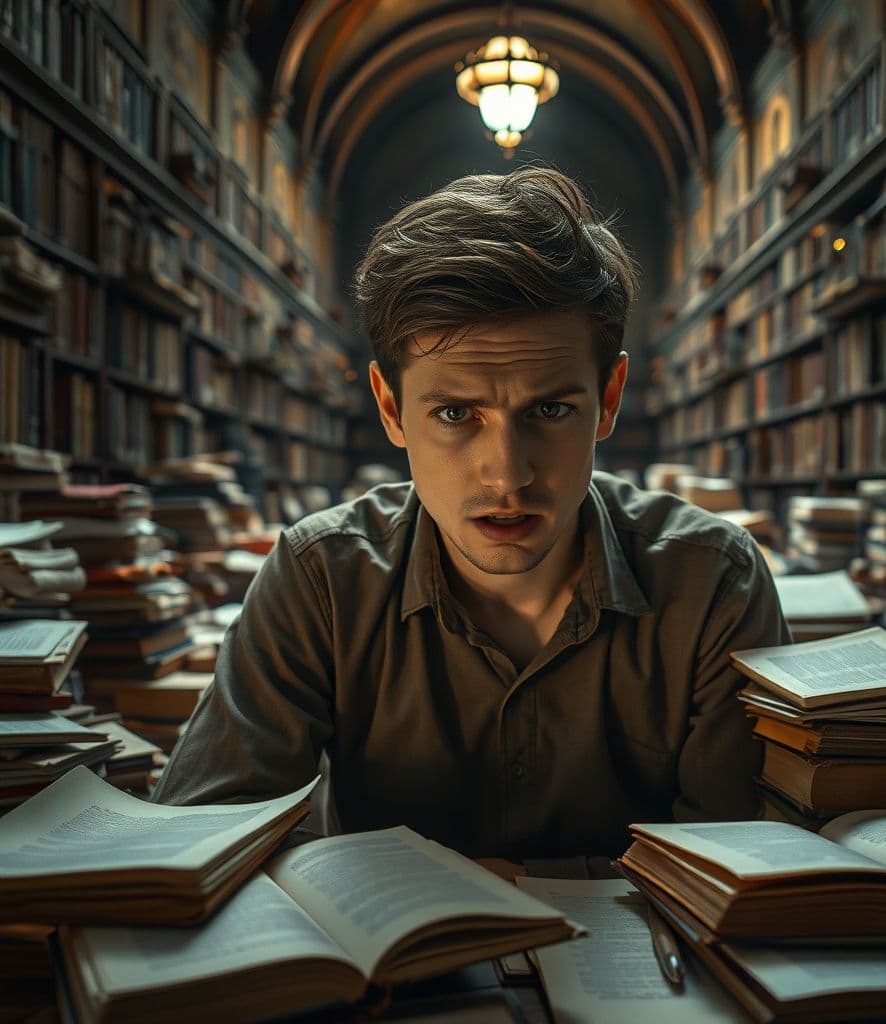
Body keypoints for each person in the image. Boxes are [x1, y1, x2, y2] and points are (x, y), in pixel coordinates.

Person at [152, 167, 789, 875]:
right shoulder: (320, 577)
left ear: (608, 400)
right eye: (456, 414)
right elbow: (205, 846)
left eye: (549, 411)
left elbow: (736, 874)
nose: (507, 473)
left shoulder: (712, 584)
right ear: (391, 409)